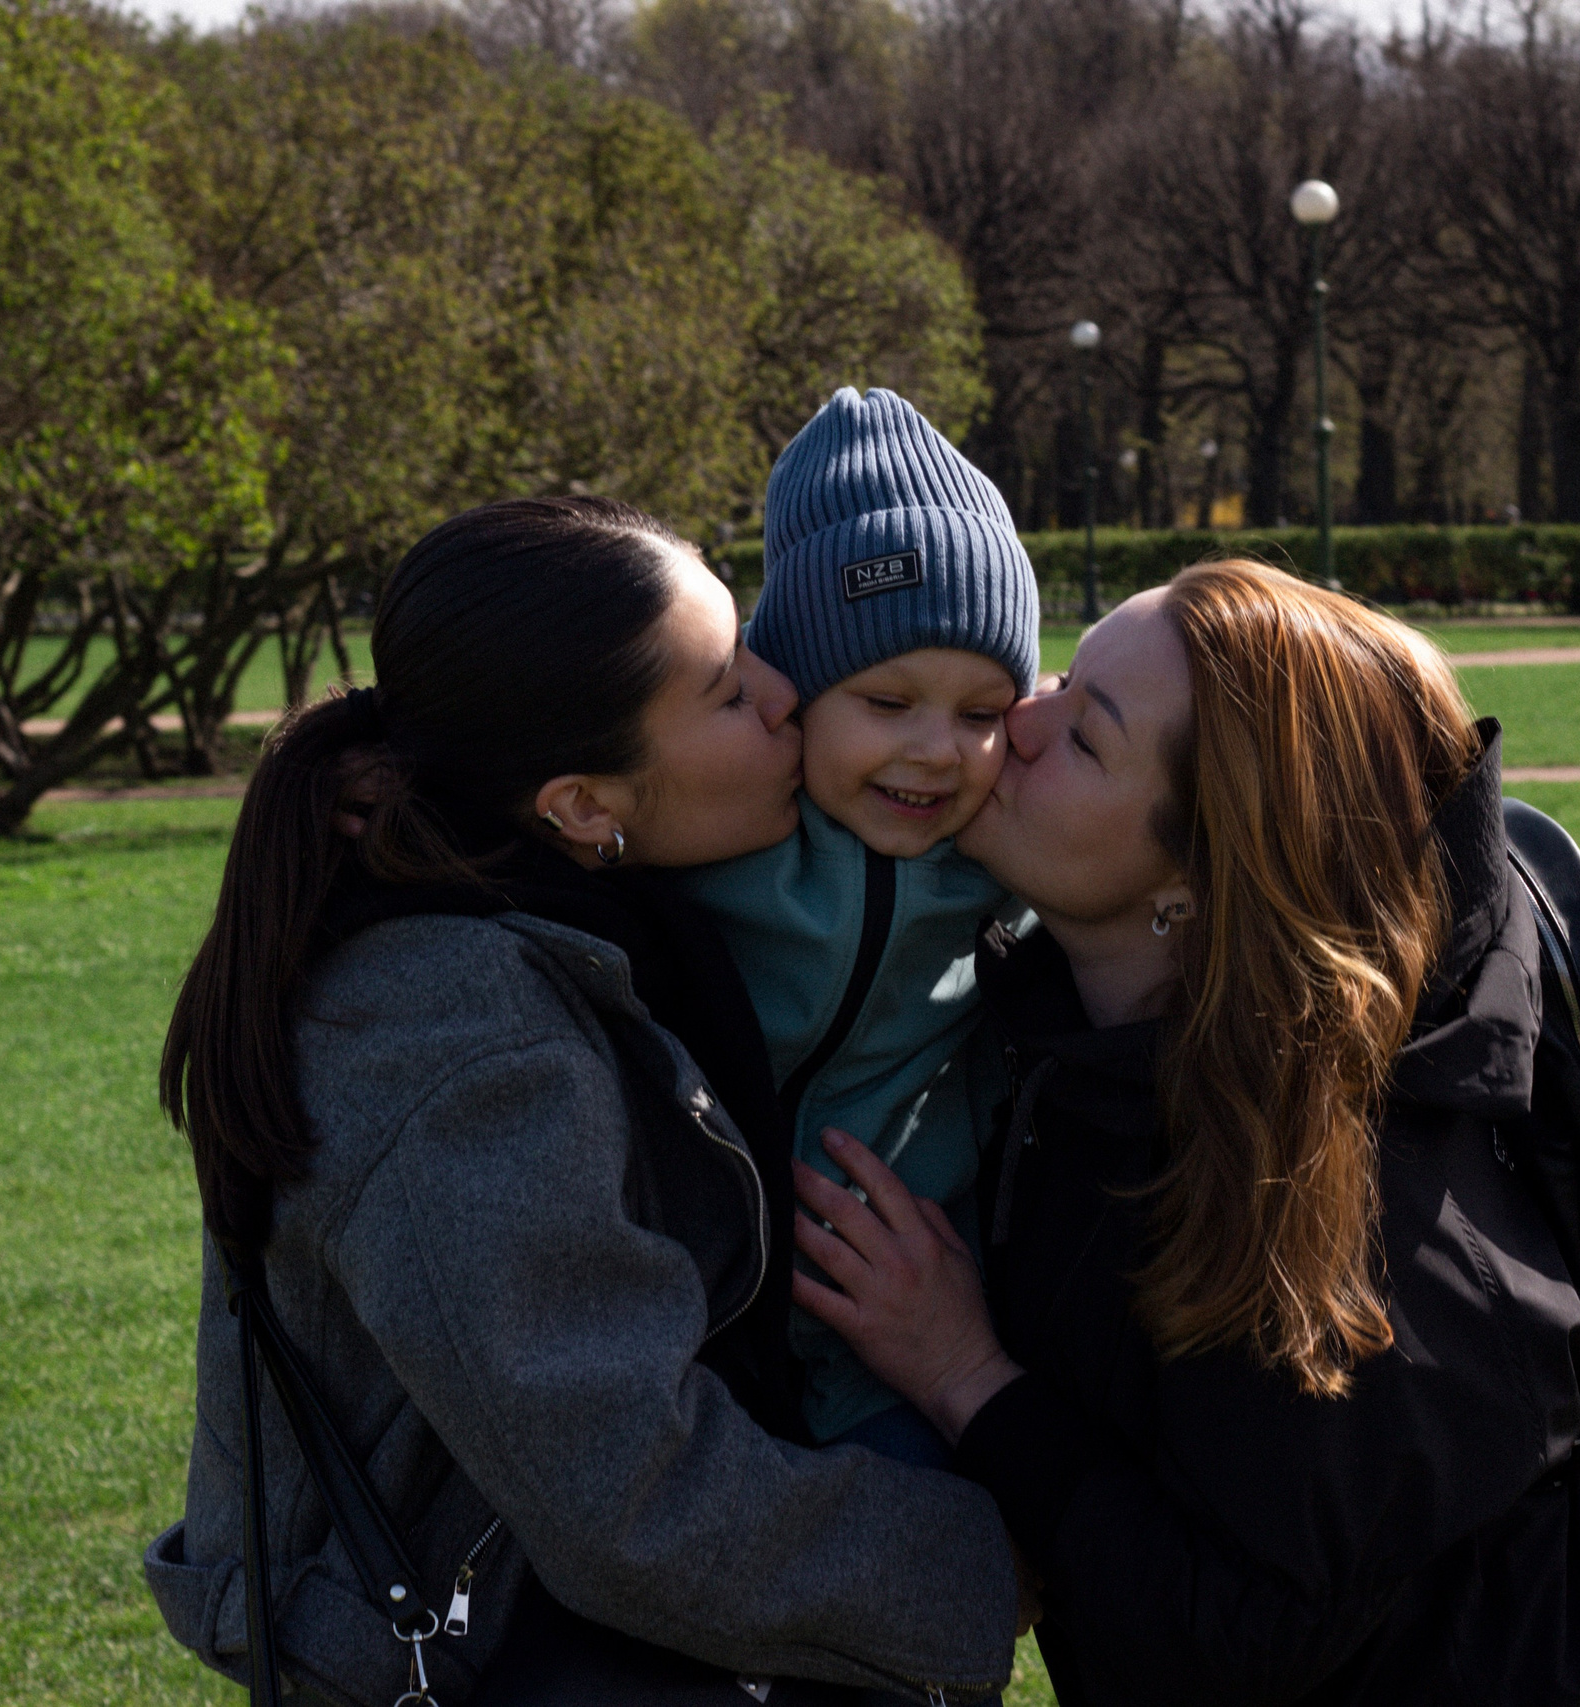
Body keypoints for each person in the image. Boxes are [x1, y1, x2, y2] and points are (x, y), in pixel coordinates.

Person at [792, 560, 1580, 1705]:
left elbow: (1236, 1643)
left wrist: (967, 1380)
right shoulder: (1087, 1040)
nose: (1015, 720)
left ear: (1197, 881)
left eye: (1084, 736)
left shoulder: (1351, 1190)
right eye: (1062, 676)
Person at [143, 497, 1020, 1706]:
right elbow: (632, 1498)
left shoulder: (556, 910)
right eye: (728, 690)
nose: (783, 695)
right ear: (583, 808)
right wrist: (996, 1559)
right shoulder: (457, 1035)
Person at [677, 387, 1039, 1469]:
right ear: (792, 694)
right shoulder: (717, 838)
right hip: (696, 1337)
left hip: (894, 1355)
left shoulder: (1003, 859)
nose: (937, 750)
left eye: (982, 714)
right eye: (887, 702)